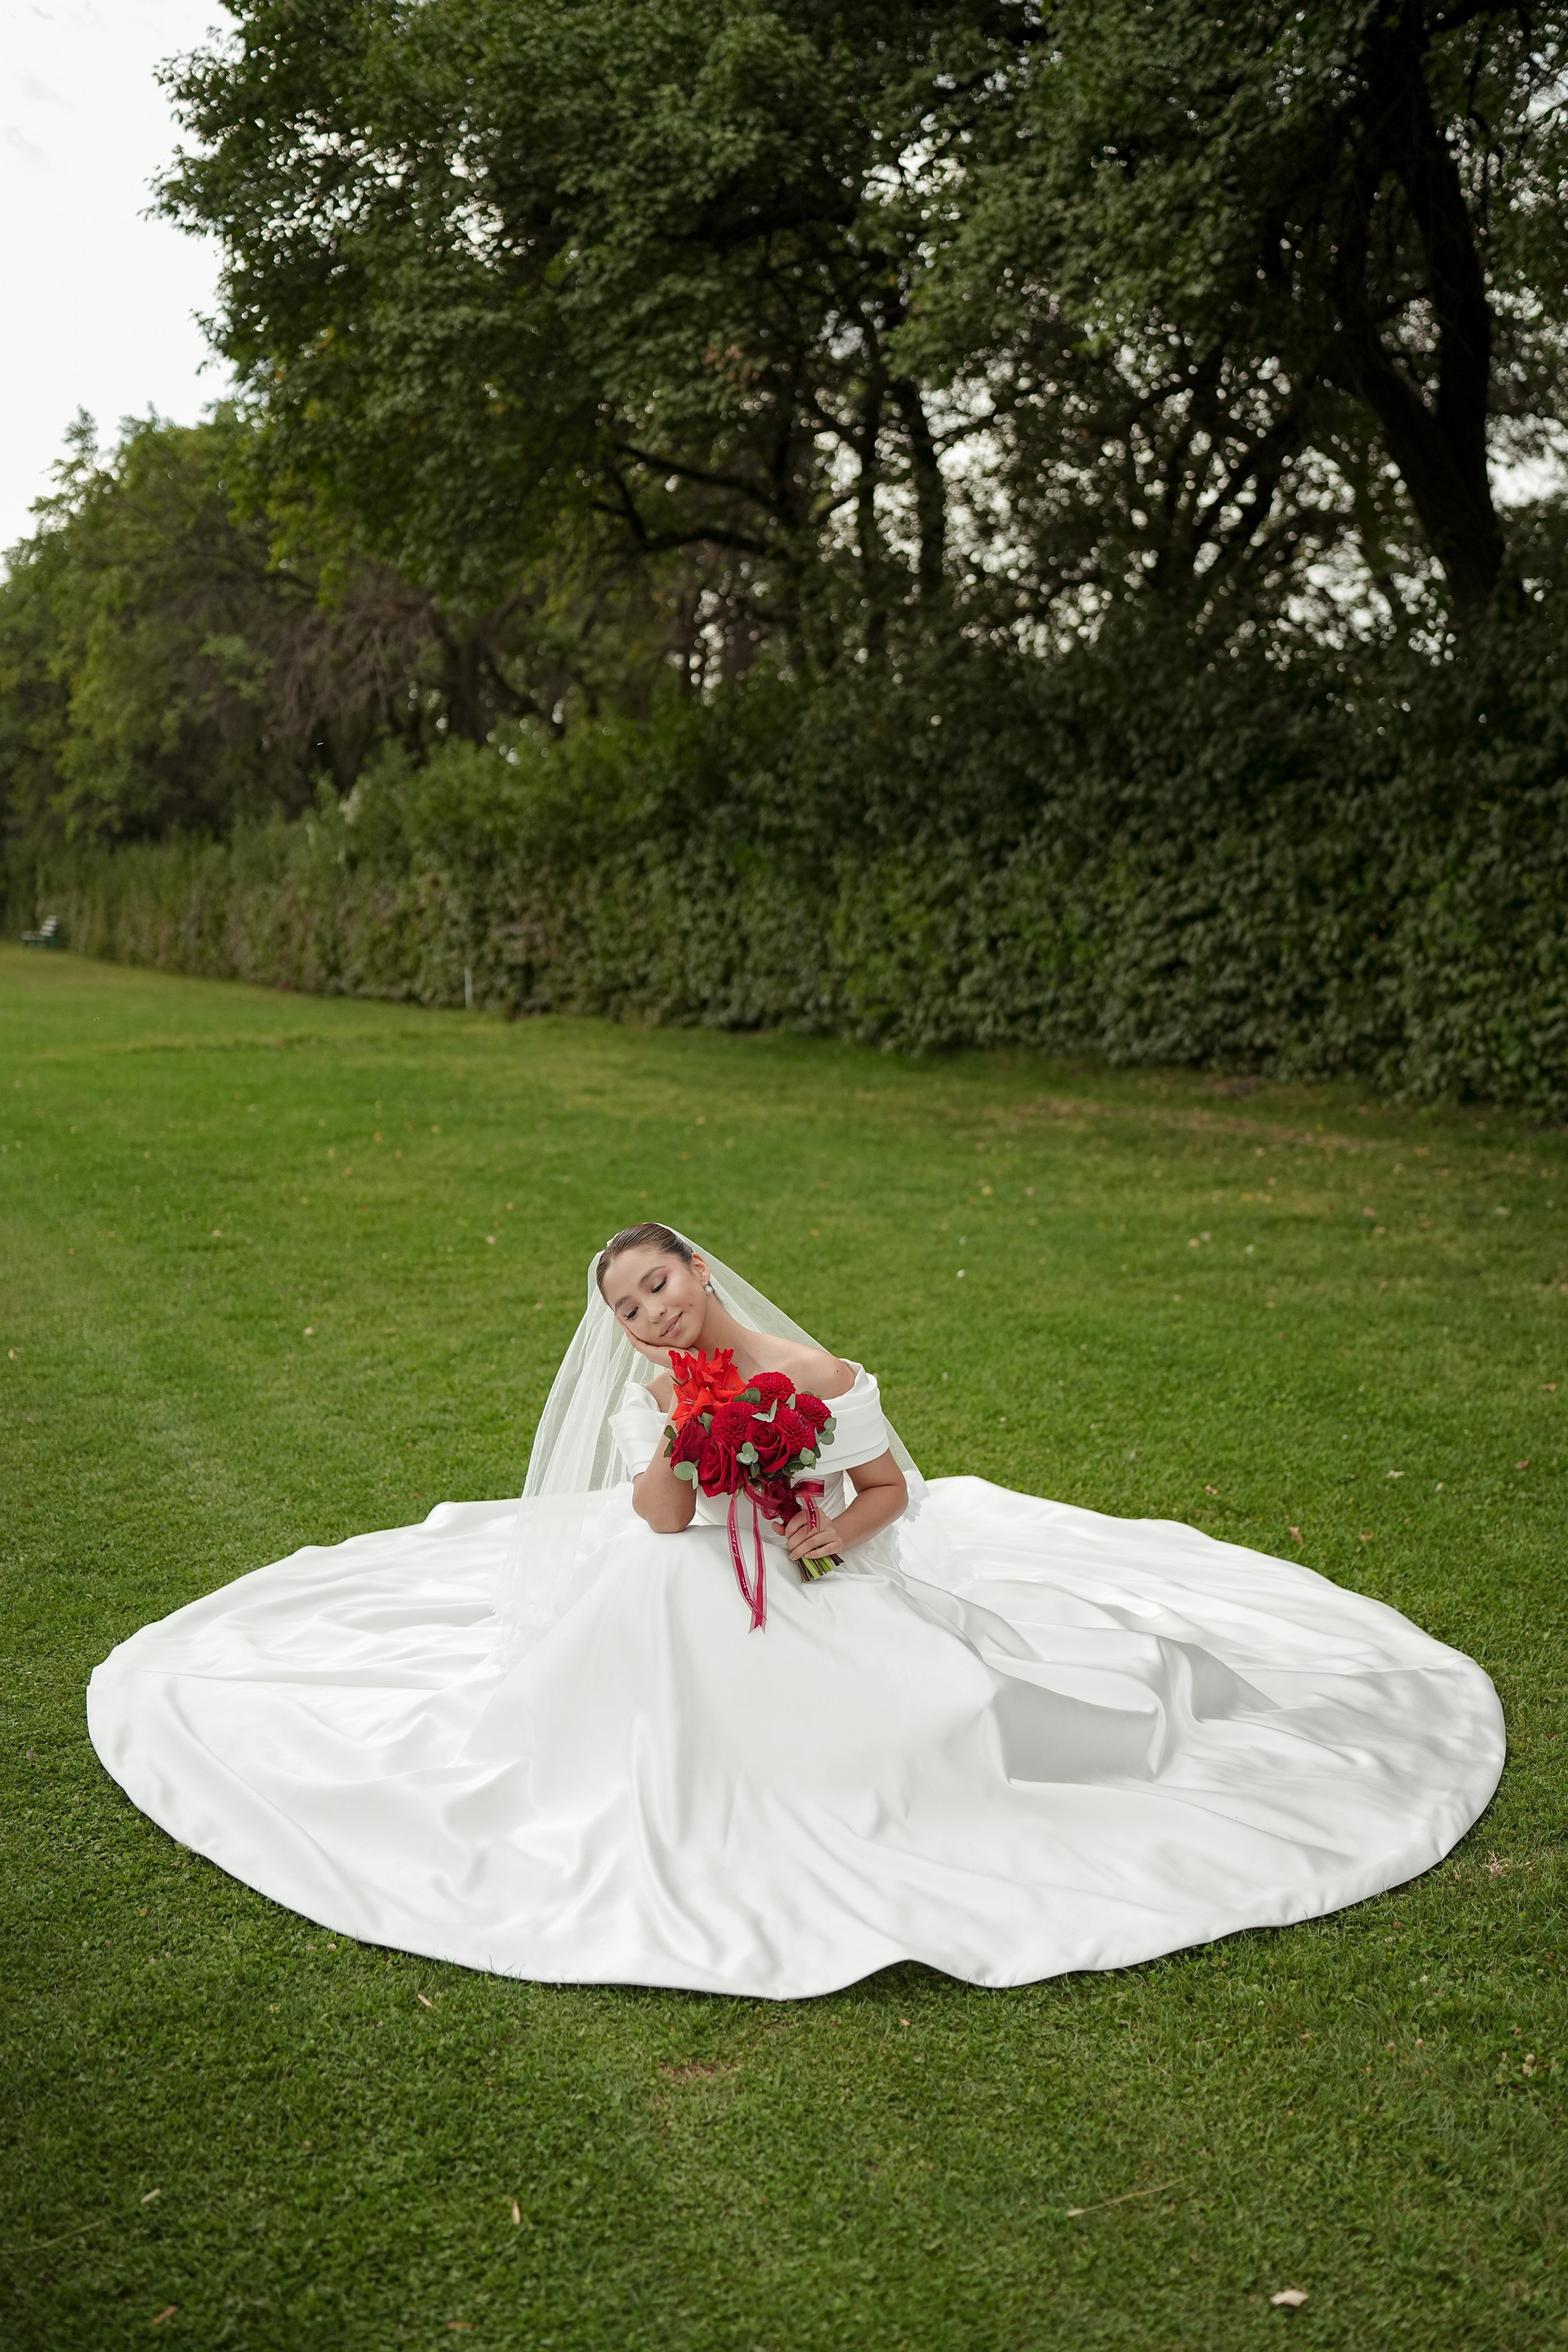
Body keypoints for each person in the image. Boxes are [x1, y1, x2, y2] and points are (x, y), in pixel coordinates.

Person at [88, 1220, 1504, 2001]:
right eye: (627, 1310)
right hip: (693, 1568)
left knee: (911, 1715)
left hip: (825, 1570)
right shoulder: (661, 1388)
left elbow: (889, 1492)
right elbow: (658, 1521)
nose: (649, 1317)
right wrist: (682, 1440)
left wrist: (823, 1525)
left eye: (658, 1288)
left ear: (699, 1270)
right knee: (655, 1604)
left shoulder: (815, 1375)